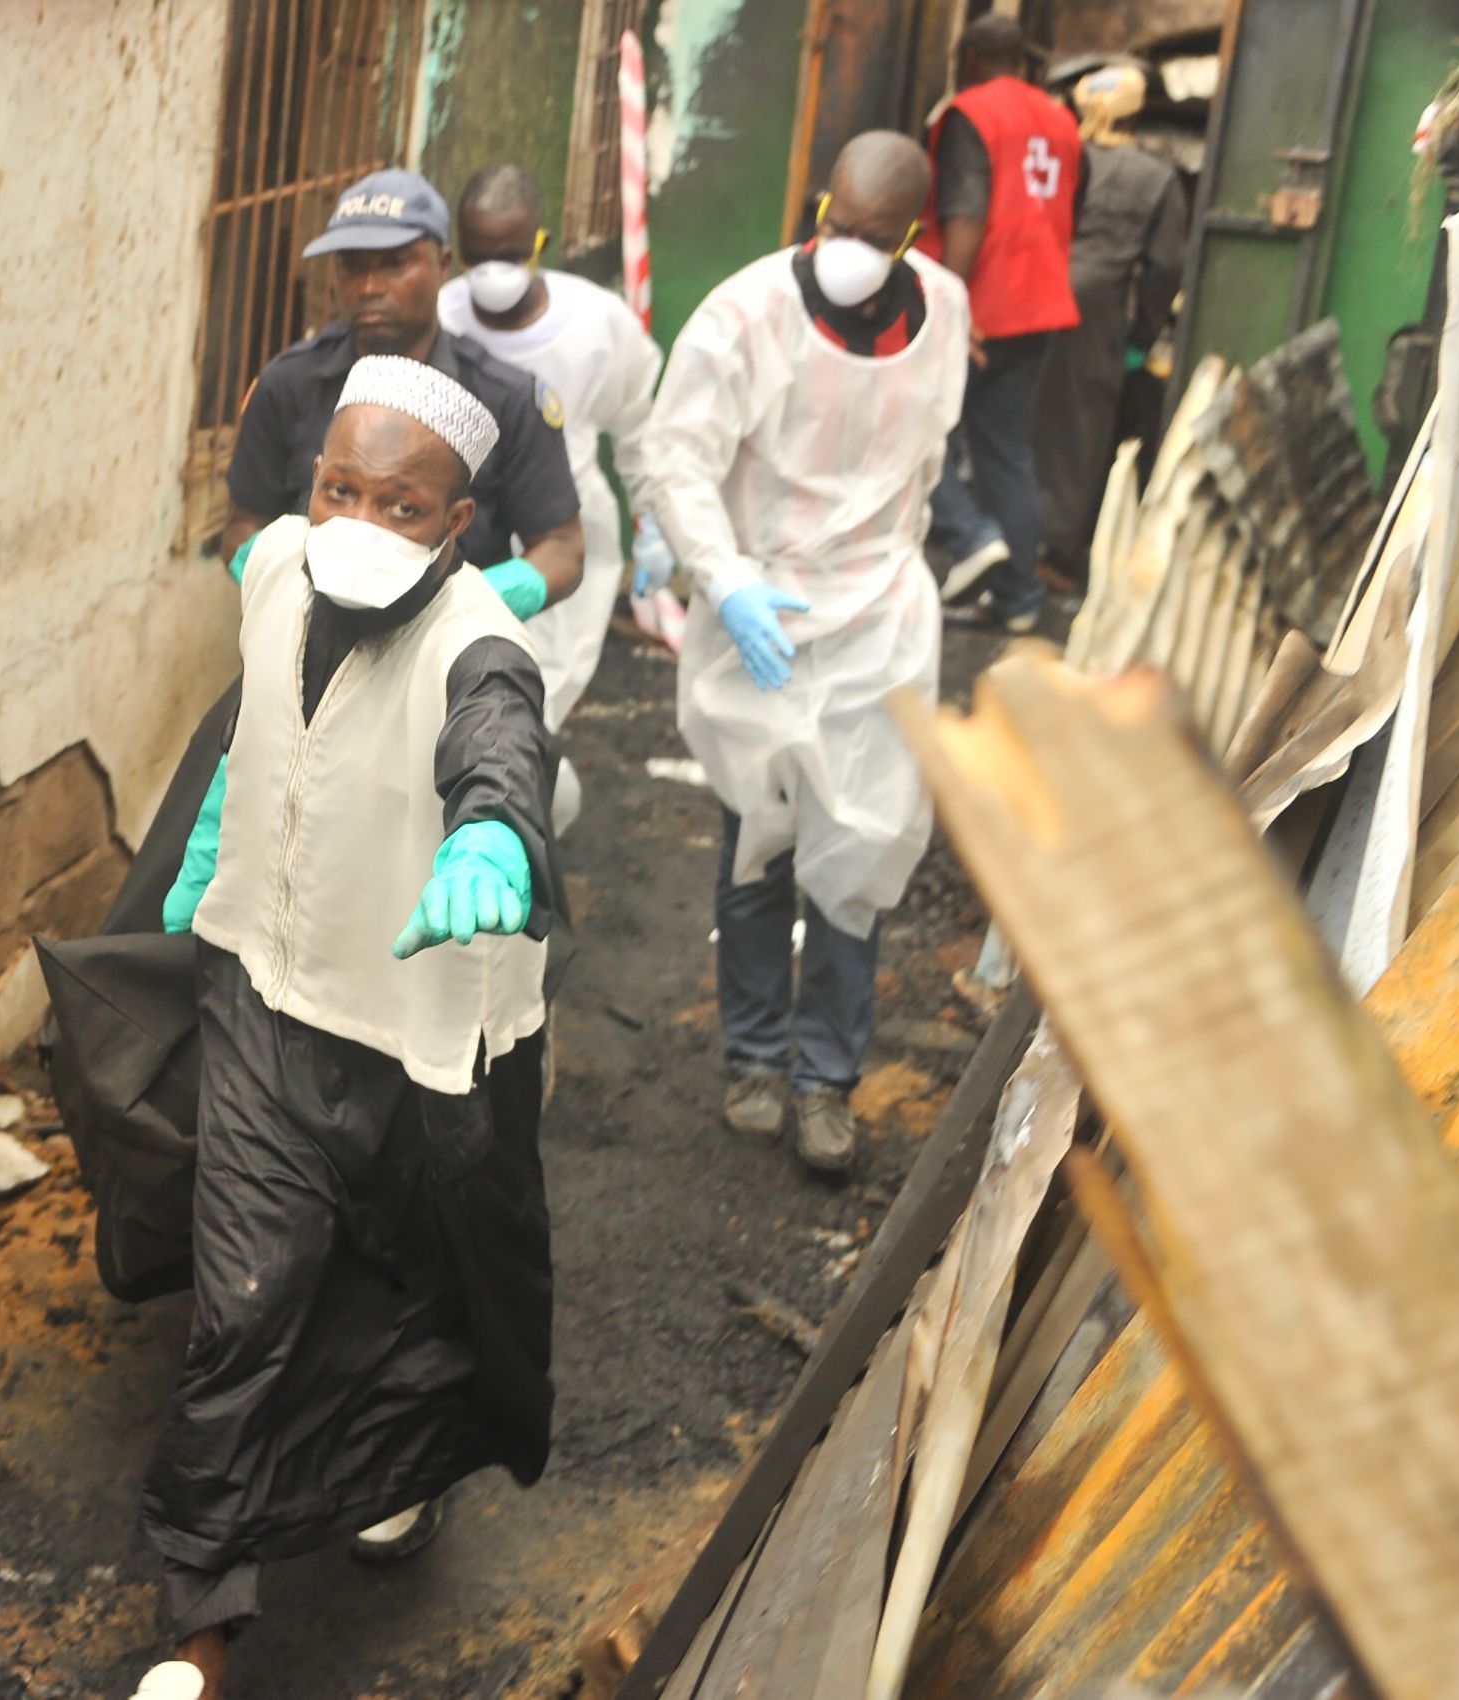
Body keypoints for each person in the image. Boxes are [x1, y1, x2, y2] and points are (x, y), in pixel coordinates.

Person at [129, 357, 558, 1700]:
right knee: (241, 1308)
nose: (359, 520)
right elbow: (246, 739)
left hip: (427, 1042)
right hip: (265, 999)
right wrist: (204, 872)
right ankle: (198, 1635)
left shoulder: (483, 637)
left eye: (399, 503)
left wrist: (493, 832)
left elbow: (499, 735)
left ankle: (400, 1471)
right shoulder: (272, 572)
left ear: (457, 522)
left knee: (414, 1287)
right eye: (337, 488)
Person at [641, 132, 969, 1178]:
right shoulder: (744, 316)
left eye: (877, 238)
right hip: (766, 612)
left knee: (860, 853)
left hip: (879, 622)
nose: (852, 252)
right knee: (759, 838)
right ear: (816, 209)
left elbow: (927, 455)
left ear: (912, 235)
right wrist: (725, 580)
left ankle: (825, 1079)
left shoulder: (946, 312)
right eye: (840, 228)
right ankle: (752, 1056)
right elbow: (676, 457)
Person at [222, 168, 585, 620]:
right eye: (352, 267)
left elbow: (562, 546)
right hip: (309, 639)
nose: (371, 287)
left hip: (448, 659)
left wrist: (476, 604)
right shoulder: (288, 384)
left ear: (443, 264)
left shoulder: (506, 399)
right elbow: (243, 522)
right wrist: (275, 576)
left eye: (395, 264)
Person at [440, 163, 670, 831]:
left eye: (508, 255)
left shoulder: (600, 325)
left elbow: (638, 432)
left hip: (566, 534)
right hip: (465, 531)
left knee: (535, 692)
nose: (491, 272)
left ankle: (504, 833)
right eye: (477, 256)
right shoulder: (440, 314)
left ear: (540, 242)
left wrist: (651, 522)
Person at [921, 13, 1081, 634]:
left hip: (983, 307)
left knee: (916, 426)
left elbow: (964, 212)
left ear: (968, 58)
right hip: (1041, 304)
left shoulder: (971, 113)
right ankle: (1017, 600)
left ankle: (970, 537)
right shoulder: (1062, 120)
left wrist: (952, 305)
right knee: (1006, 451)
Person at [1035, 62, 1187, 575]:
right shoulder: (1157, 176)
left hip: (1032, 294)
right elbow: (1165, 266)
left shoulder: (1058, 157)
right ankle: (1056, 557)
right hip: (1094, 313)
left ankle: (1002, 539)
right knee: (1079, 429)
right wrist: (1139, 338)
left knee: (1019, 414)